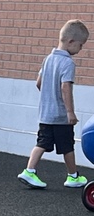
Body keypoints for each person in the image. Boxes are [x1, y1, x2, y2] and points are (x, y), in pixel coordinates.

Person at [18, 19, 89, 189]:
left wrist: (48, 96)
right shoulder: (68, 63)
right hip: (60, 116)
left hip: (45, 114)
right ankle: (73, 177)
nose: (81, 49)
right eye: (81, 45)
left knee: (41, 143)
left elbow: (38, 83)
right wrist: (70, 112)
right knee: (67, 146)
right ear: (71, 42)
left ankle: (29, 171)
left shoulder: (48, 59)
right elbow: (66, 87)